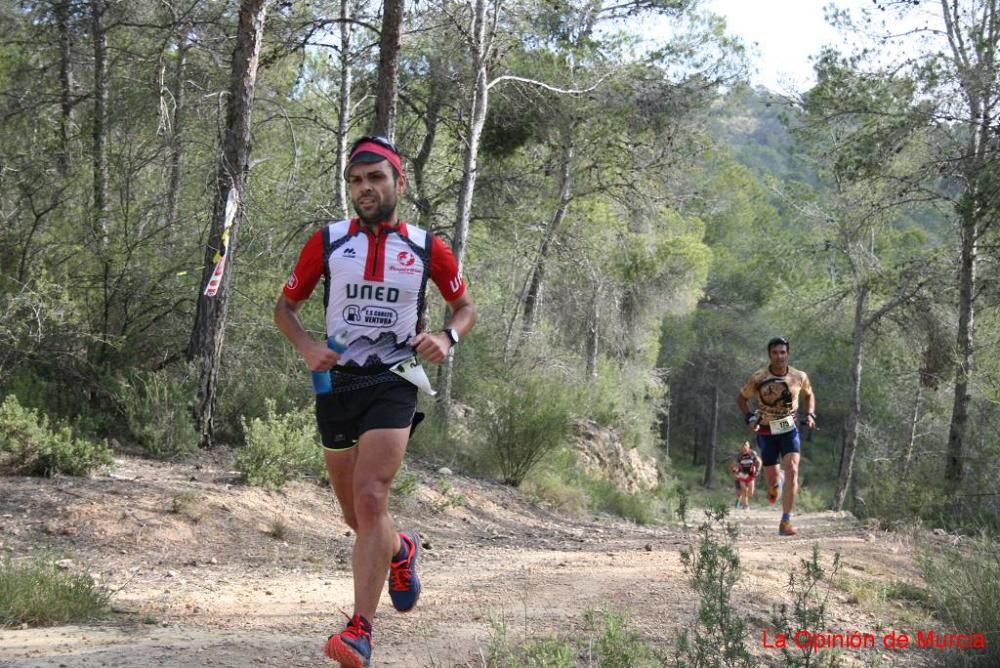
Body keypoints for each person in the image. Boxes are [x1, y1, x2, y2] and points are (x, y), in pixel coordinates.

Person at [274, 135, 477, 667]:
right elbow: (285, 308)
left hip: (396, 378)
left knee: (370, 497)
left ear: (398, 183)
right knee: (356, 516)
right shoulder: (328, 241)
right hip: (336, 383)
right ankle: (400, 548)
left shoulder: (427, 246)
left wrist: (446, 338)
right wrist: (308, 347)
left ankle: (360, 629)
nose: (365, 189)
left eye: (375, 178)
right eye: (356, 181)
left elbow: (464, 308)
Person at [736, 337, 815, 536]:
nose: (779, 356)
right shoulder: (758, 377)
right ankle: (775, 482)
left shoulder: (799, 376)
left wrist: (811, 413)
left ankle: (786, 521)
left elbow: (808, 394)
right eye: (775, 353)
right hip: (766, 431)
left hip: (789, 428)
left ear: (788, 353)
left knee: (793, 469)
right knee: (772, 480)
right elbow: (742, 398)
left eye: (782, 352)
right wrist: (749, 418)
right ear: (769, 355)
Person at [729, 440, 763, 509]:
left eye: (746, 445)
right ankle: (745, 505)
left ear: (749, 446)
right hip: (742, 474)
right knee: (743, 490)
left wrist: (758, 470)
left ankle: (743, 501)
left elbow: (759, 461)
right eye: (743, 446)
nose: (744, 447)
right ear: (741, 447)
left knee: (751, 492)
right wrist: (734, 471)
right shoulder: (739, 455)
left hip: (751, 474)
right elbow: (733, 465)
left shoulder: (752, 453)